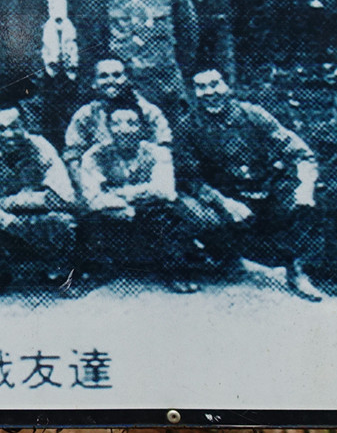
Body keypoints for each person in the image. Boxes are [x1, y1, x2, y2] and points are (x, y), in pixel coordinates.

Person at [176, 68, 323, 300]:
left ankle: (296, 270)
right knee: (197, 214)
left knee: (297, 205)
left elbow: (302, 154)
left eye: (215, 84)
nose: (209, 92)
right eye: (201, 87)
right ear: (194, 92)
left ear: (227, 86)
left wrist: (305, 191)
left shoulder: (253, 115)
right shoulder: (188, 127)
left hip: (263, 187)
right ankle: (224, 254)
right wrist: (224, 203)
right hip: (227, 195)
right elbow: (188, 178)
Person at [0, 102, 77, 299]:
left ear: (25, 126)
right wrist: (7, 220)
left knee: (65, 222)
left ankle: (59, 274)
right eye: (0, 129)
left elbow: (63, 197)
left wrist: (11, 202)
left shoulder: (41, 146)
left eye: (15, 127)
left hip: (36, 214)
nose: (9, 135)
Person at [76, 100, 200, 291]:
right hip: (112, 215)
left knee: (170, 211)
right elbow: (93, 198)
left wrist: (120, 195)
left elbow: (166, 191)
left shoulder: (157, 153)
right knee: (89, 216)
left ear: (142, 128)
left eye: (132, 124)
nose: (124, 130)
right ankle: (96, 271)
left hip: (146, 212)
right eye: (116, 124)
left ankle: (175, 272)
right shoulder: (94, 155)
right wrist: (127, 202)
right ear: (108, 128)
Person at [87, 0, 199, 119]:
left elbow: (188, 31)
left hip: (163, 78)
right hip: (123, 79)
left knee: (169, 129)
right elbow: (95, 34)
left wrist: (179, 67)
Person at [63, 57, 172, 176]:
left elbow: (164, 149)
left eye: (117, 75)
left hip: (144, 183)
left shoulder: (148, 112)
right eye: (103, 76)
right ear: (94, 83)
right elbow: (73, 155)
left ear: (128, 79)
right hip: (100, 183)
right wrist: (87, 189)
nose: (111, 81)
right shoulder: (85, 115)